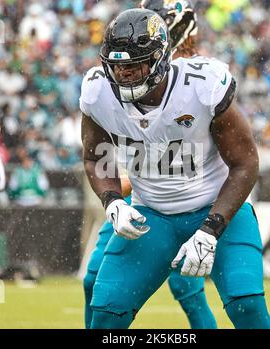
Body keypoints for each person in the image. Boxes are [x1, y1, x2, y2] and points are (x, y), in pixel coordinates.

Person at [80, 8, 270, 329]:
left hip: (218, 210)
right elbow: (94, 157)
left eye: (132, 65)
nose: (123, 75)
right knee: (106, 313)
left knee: (247, 305)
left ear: (158, 59)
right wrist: (112, 200)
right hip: (152, 216)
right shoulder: (97, 90)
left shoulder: (202, 85)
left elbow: (245, 163)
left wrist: (212, 229)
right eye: (116, 66)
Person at [82, 0, 217, 330]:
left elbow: (231, 157)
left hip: (191, 197)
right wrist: (116, 195)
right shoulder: (128, 72)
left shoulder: (201, 78)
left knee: (187, 287)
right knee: (94, 279)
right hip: (142, 197)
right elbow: (105, 149)